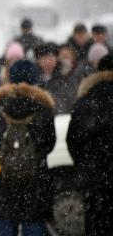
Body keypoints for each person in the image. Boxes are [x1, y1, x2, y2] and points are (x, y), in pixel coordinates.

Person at [0, 60, 56, 236]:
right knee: (33, 225)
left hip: (3, 179)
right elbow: (50, 143)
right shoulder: (44, 107)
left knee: (4, 224)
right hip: (35, 182)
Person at [66, 54, 113, 236]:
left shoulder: (85, 100)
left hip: (94, 179)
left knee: (95, 223)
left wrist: (85, 166)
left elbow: (73, 140)